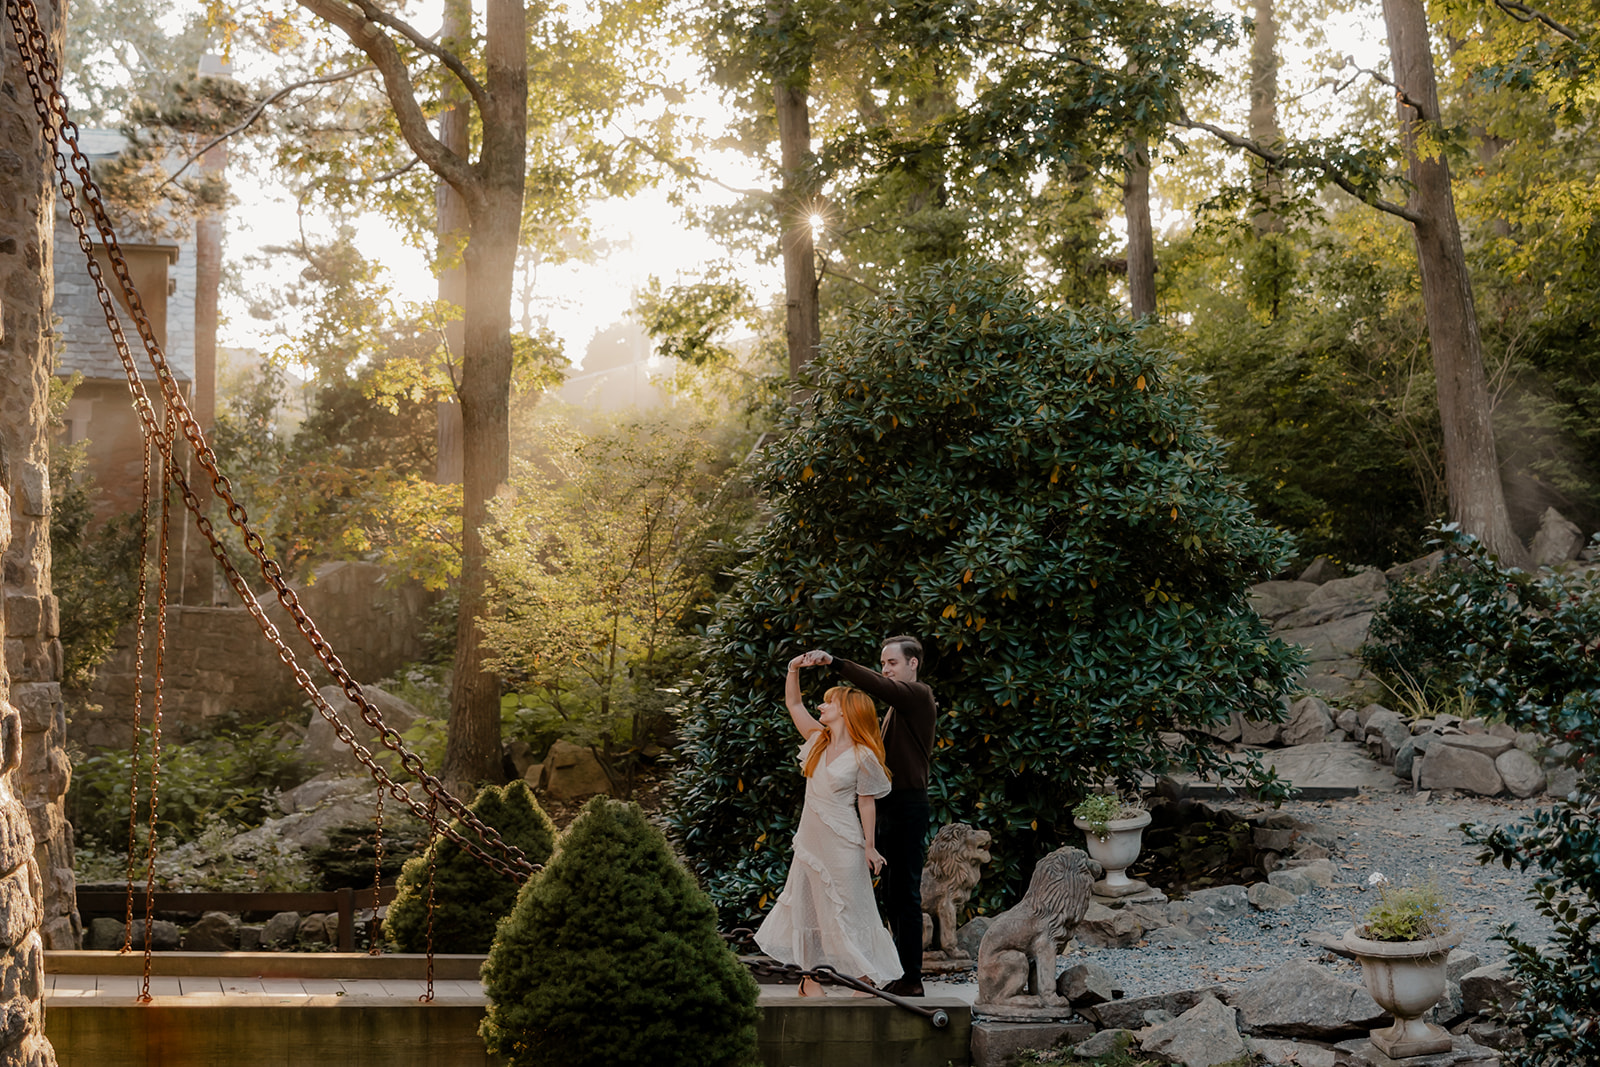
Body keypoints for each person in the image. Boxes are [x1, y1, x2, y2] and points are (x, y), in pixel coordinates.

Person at [753, 657, 902, 996]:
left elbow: (866, 801)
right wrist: (792, 669)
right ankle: (809, 979)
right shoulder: (817, 740)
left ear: (847, 711)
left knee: (855, 907)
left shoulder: (863, 755)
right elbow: (793, 703)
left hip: (844, 841)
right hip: (811, 841)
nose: (821, 706)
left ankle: (864, 977)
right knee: (810, 909)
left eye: (829, 702)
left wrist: (869, 845)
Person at [797, 636, 936, 997]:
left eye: (891, 663)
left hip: (907, 806)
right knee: (886, 894)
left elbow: (879, 687)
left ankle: (911, 978)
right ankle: (884, 970)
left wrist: (835, 662)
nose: (885, 670)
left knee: (903, 893)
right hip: (885, 804)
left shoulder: (918, 695)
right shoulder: (896, 709)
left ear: (913, 664)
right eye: (883, 663)